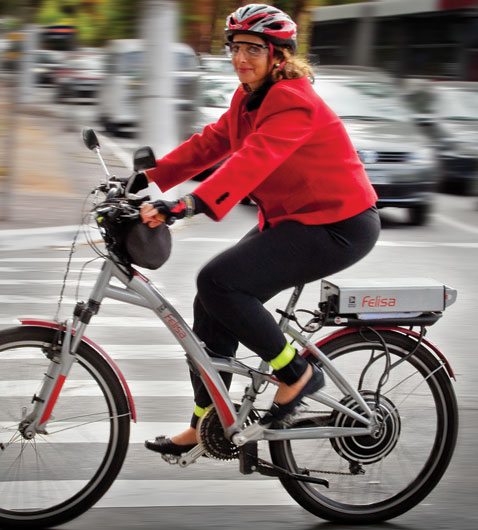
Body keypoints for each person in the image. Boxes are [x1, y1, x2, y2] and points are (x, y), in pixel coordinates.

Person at [138, 3, 381, 456]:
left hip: (338, 225)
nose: (240, 58)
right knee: (209, 298)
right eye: (235, 47)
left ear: (279, 57)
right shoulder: (249, 96)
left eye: (253, 48)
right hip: (297, 219)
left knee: (221, 282)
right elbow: (211, 142)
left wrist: (188, 203)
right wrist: (150, 177)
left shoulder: (292, 100)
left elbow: (255, 160)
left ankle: (297, 374)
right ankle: (208, 418)